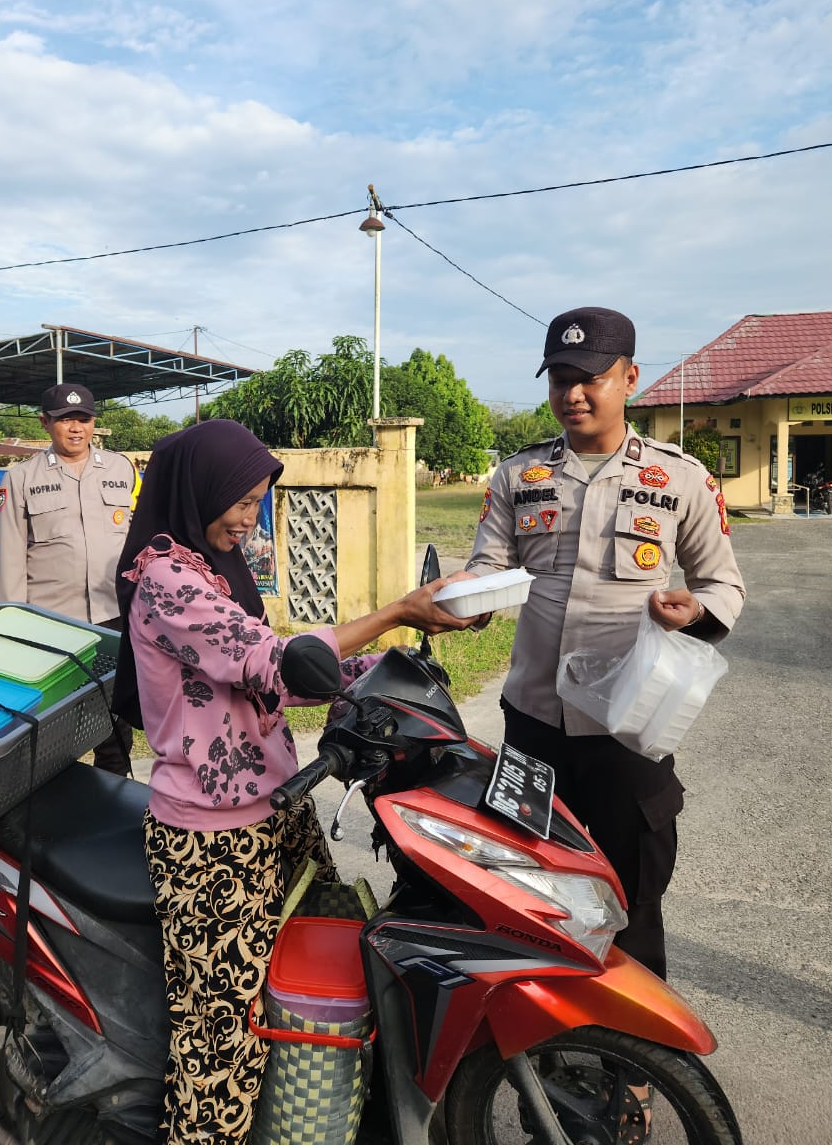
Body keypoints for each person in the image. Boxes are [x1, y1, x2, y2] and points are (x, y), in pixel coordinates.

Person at [112, 419, 479, 1145]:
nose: (250, 521)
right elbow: (267, 661)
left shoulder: (218, 566)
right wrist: (397, 609)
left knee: (309, 987)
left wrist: (375, 675)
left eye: (258, 504)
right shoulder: (166, 577)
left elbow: (282, 677)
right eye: (241, 503)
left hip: (277, 807)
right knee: (221, 1039)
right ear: (200, 489)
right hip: (212, 842)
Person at [467, 306, 746, 983]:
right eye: (560, 378)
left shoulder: (680, 480)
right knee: (531, 888)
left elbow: (723, 584)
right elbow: (487, 568)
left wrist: (695, 610)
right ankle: (548, 1041)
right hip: (534, 724)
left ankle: (637, 1065)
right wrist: (466, 602)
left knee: (632, 895)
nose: (574, 394)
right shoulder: (516, 477)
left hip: (627, 726)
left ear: (629, 378)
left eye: (590, 377)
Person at [0, 382, 136, 773]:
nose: (76, 428)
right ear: (45, 423)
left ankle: (113, 793)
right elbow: (9, 559)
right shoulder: (21, 477)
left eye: (84, 419)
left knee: (115, 719)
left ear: (94, 423)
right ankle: (59, 806)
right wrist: (9, 630)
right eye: (65, 420)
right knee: (55, 724)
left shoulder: (121, 469)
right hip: (52, 626)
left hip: (113, 618)